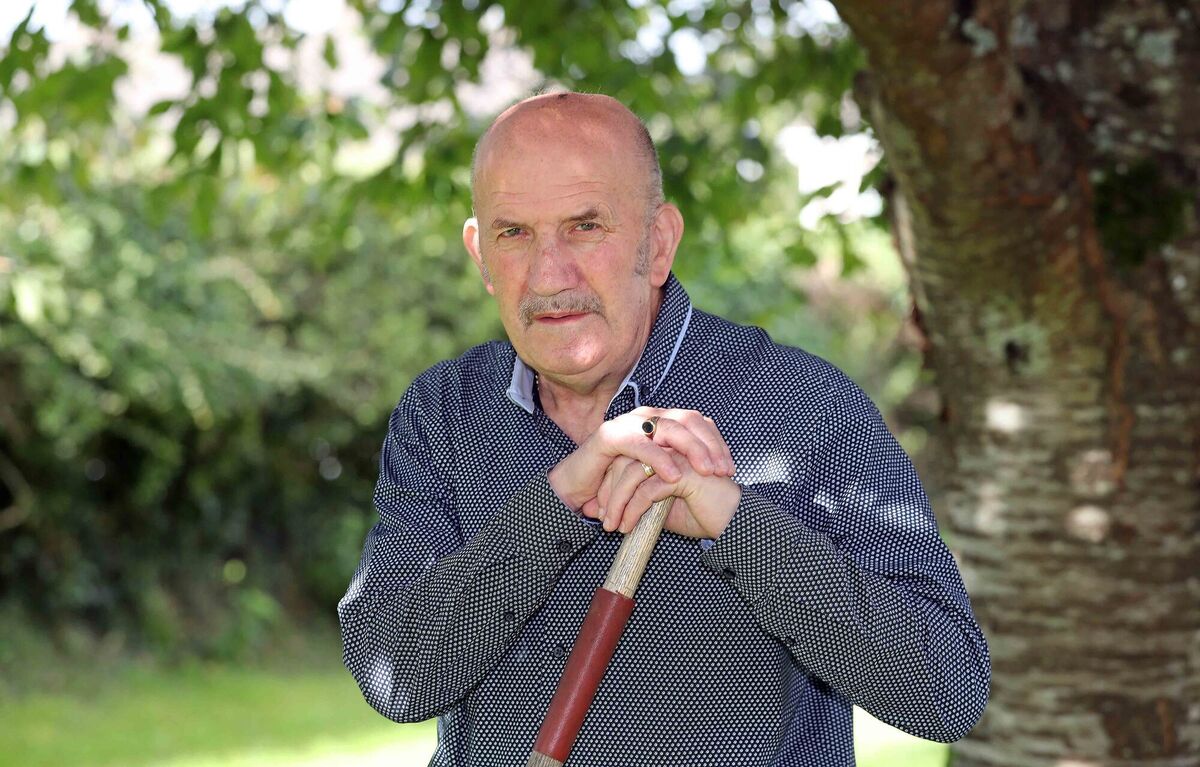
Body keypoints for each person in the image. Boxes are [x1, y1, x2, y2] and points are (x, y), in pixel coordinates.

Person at [338, 92, 990, 766]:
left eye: (584, 226)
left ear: (657, 243)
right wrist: (555, 501)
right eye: (514, 233)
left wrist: (737, 525)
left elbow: (947, 688)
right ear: (480, 253)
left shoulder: (807, 408)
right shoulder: (443, 412)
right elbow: (396, 674)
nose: (548, 274)